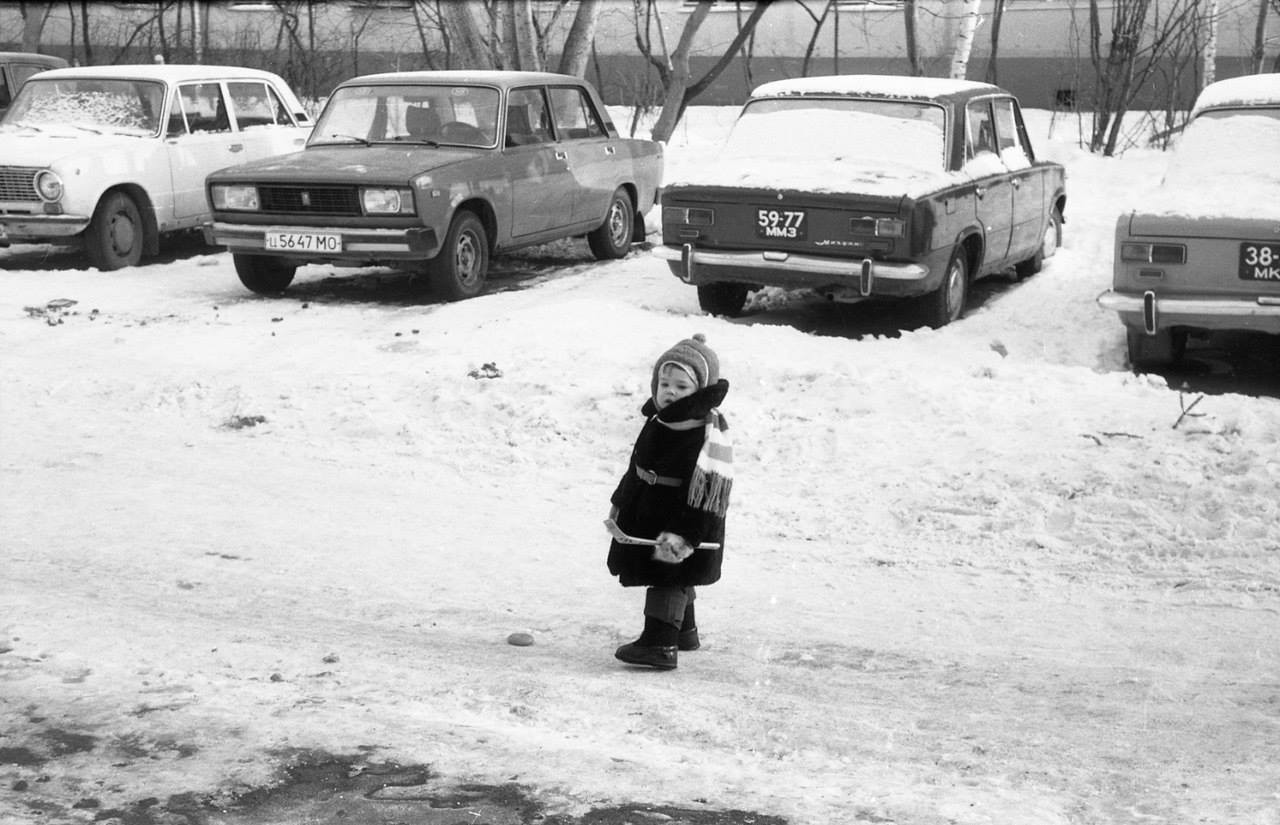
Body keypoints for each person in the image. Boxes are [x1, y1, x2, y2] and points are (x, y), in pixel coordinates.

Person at [607, 334, 733, 670]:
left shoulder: (702, 435)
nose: (670, 392)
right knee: (674, 571)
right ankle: (684, 631)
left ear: (700, 390)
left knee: (669, 574)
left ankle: (660, 643)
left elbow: (706, 493)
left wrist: (685, 533)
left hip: (684, 519)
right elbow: (638, 466)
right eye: (664, 382)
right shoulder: (661, 420)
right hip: (651, 511)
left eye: (681, 386)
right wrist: (621, 502)